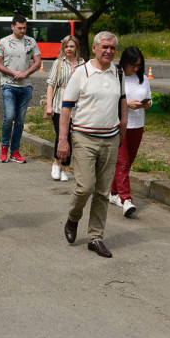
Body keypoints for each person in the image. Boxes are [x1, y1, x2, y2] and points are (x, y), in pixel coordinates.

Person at [57, 32, 126, 258]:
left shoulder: (119, 73)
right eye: (104, 47)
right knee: (85, 187)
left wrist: (122, 132)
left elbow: (122, 103)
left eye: (112, 48)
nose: (108, 51)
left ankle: (95, 238)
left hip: (111, 139)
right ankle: (73, 218)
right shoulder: (81, 72)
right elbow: (66, 108)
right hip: (84, 138)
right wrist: (63, 141)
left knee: (103, 192)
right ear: (95, 48)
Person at [0, 14, 41, 164]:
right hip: (8, 85)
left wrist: (25, 73)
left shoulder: (31, 41)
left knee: (20, 120)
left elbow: (38, 62)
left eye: (24, 28)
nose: (22, 30)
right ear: (12, 26)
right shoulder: (4, 42)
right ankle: (4, 147)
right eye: (19, 28)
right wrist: (13, 73)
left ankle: (15, 151)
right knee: (9, 117)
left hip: (26, 86)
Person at [110, 46, 152, 217]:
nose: (135, 69)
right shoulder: (116, 76)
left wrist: (146, 104)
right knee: (122, 163)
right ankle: (126, 199)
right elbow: (109, 98)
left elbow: (150, 97)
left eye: (138, 66)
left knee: (128, 162)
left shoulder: (142, 78)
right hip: (119, 124)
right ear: (125, 63)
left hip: (137, 124)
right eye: (133, 65)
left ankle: (112, 193)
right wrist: (127, 104)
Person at [44, 34, 83, 182]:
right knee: (62, 135)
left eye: (71, 46)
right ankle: (56, 162)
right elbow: (51, 84)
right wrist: (49, 105)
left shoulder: (82, 64)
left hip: (77, 106)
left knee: (71, 136)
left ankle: (64, 168)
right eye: (66, 46)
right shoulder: (58, 63)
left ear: (76, 48)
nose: (69, 49)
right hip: (59, 105)